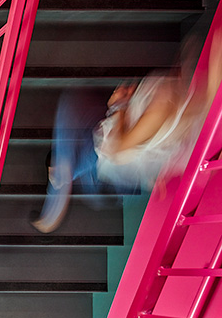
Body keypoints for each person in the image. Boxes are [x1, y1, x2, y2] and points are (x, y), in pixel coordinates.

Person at [31, 29, 222, 233]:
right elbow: (119, 147)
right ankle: (58, 188)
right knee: (87, 156)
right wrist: (119, 105)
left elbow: (120, 145)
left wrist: (119, 106)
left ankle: (58, 187)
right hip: (118, 144)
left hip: (120, 141)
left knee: (85, 154)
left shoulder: (162, 110)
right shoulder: (160, 110)